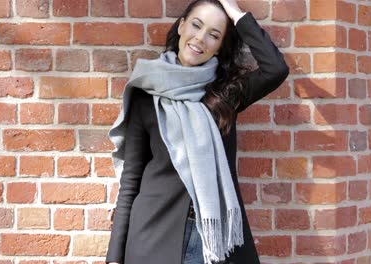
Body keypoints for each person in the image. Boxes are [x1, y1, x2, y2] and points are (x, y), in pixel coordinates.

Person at [106, 0, 289, 263]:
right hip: (154, 238)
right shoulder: (145, 94)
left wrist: (236, 14)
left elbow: (276, 68)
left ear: (219, 47)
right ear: (181, 26)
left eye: (214, 35)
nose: (200, 39)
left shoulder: (225, 94)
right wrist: (114, 256)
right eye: (196, 25)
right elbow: (131, 181)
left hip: (215, 244)